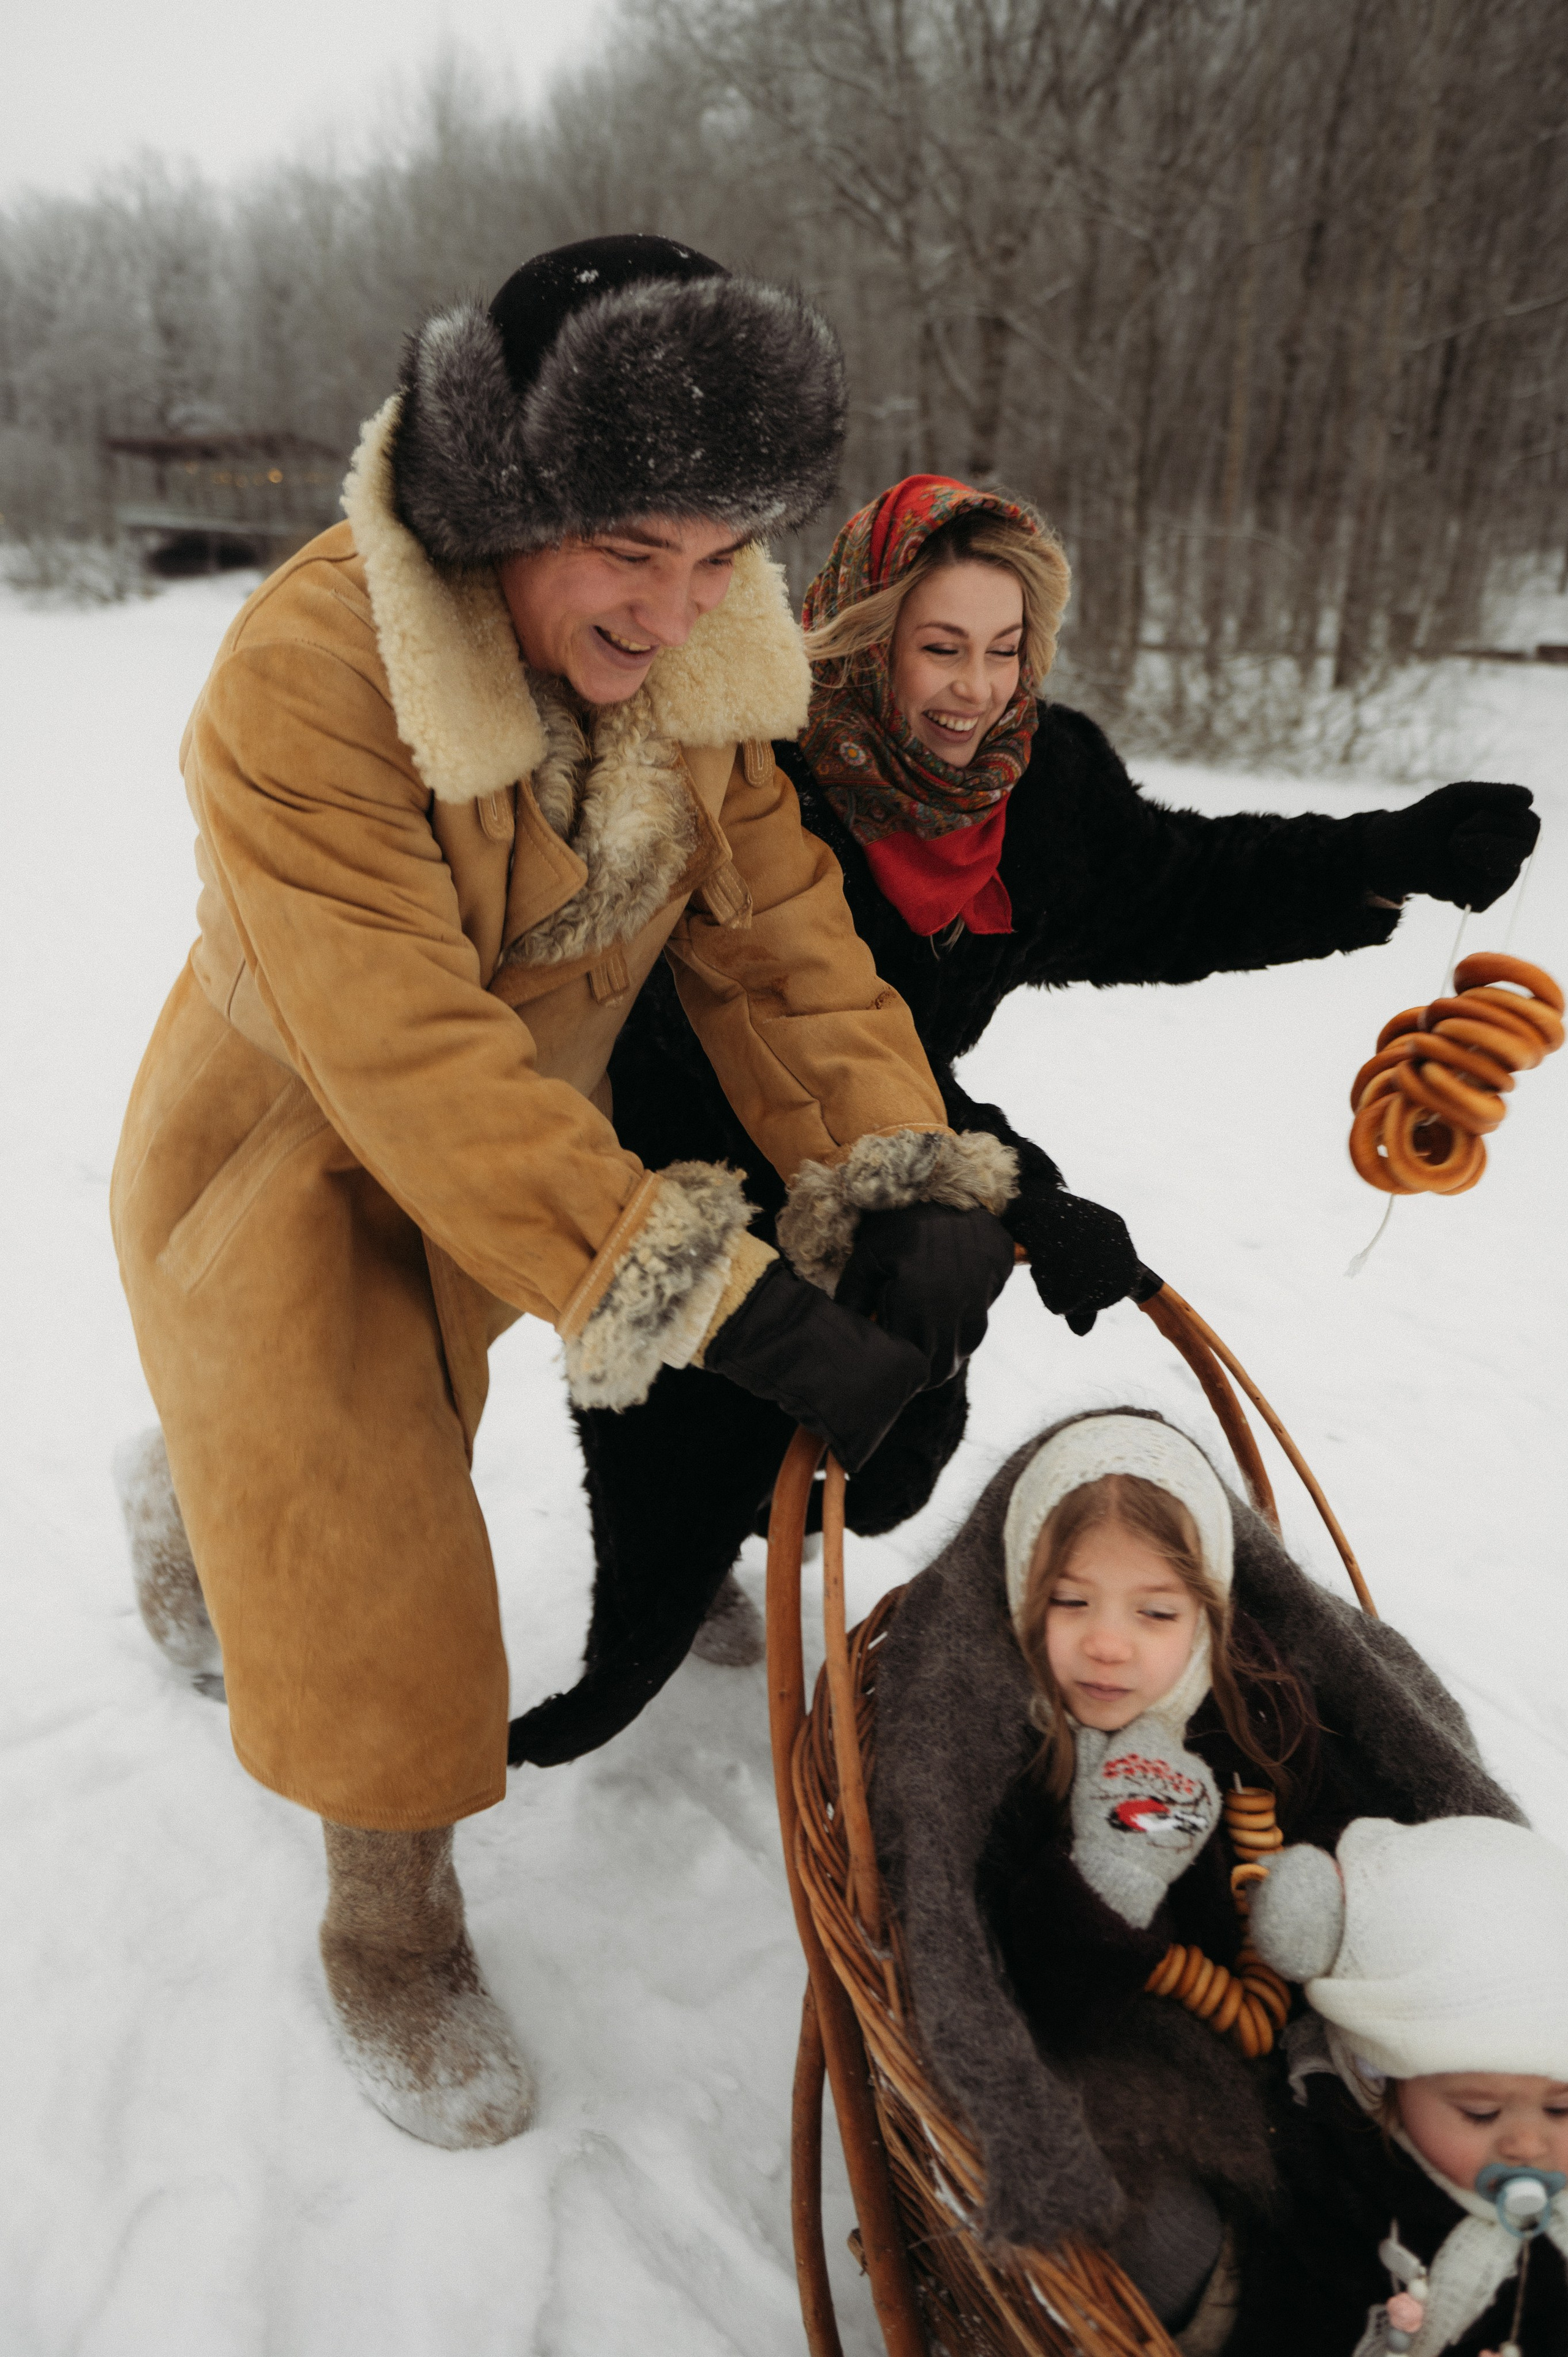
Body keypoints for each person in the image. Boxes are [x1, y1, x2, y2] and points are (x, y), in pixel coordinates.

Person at [109, 238, 1021, 2149]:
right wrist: (742, 1310)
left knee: (471, 1410)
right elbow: (410, 1063)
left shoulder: (697, 671)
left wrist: (905, 1173)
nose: (678, 607)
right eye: (631, 548)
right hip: (297, 1150)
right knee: (363, 1516)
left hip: (538, 1139)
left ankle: (208, 1470)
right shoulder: (311, 672)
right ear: (498, 498)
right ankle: (389, 1918)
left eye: (722, 555)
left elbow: (780, 938)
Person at [511, 473, 1539, 1771]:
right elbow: (784, 1033)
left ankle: (754, 1520)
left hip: (901, 1137)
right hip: (696, 1127)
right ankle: (645, 1624)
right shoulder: (768, 775)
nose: (975, 689)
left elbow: (1176, 889)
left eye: (1005, 650)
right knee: (679, 1446)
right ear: (866, 635)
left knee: (888, 1438)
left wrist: (1385, 854)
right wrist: (1025, 1189)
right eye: (940, 647)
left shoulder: (1040, 787)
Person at [865, 1410, 1520, 2337]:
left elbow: (1354, 1814)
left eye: (1156, 1612)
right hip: (1149, 2051)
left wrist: (1332, 1902)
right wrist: (1108, 1877)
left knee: (1446, 2151)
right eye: (1069, 1601)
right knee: (1150, 2199)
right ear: (1020, 1594)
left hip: (1314, 2043)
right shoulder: (1013, 1753)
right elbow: (1019, 1979)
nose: (1108, 1643)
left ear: (1209, 1610)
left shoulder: (1255, 1703)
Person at [1235, 1815, 1568, 2356]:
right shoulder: (1331, 2175)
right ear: (1380, 2074)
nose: (1528, 2146)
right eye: (1481, 2113)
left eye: (1561, 2110)